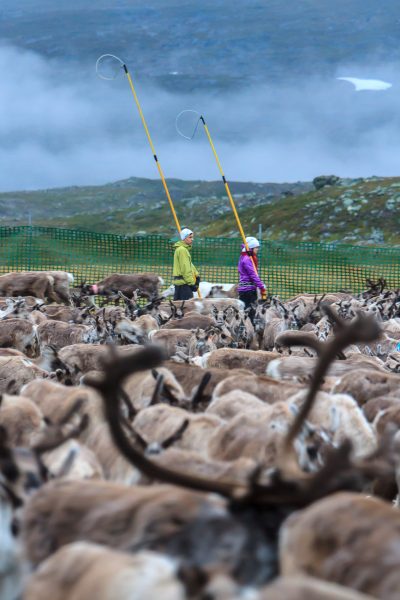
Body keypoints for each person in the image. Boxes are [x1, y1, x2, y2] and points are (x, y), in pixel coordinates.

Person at [237, 236, 267, 315]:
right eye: (256, 248)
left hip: (244, 290)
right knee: (250, 313)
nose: (257, 249)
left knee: (246, 311)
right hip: (248, 291)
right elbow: (253, 275)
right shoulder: (247, 259)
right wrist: (261, 286)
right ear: (251, 248)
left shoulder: (243, 257)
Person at [173, 227, 200, 300]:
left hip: (181, 284)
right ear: (184, 238)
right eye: (190, 237)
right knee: (187, 309)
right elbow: (185, 269)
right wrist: (192, 284)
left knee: (178, 307)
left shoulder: (182, 249)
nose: (192, 239)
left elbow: (190, 265)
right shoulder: (182, 250)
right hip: (184, 285)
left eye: (192, 237)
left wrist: (197, 275)